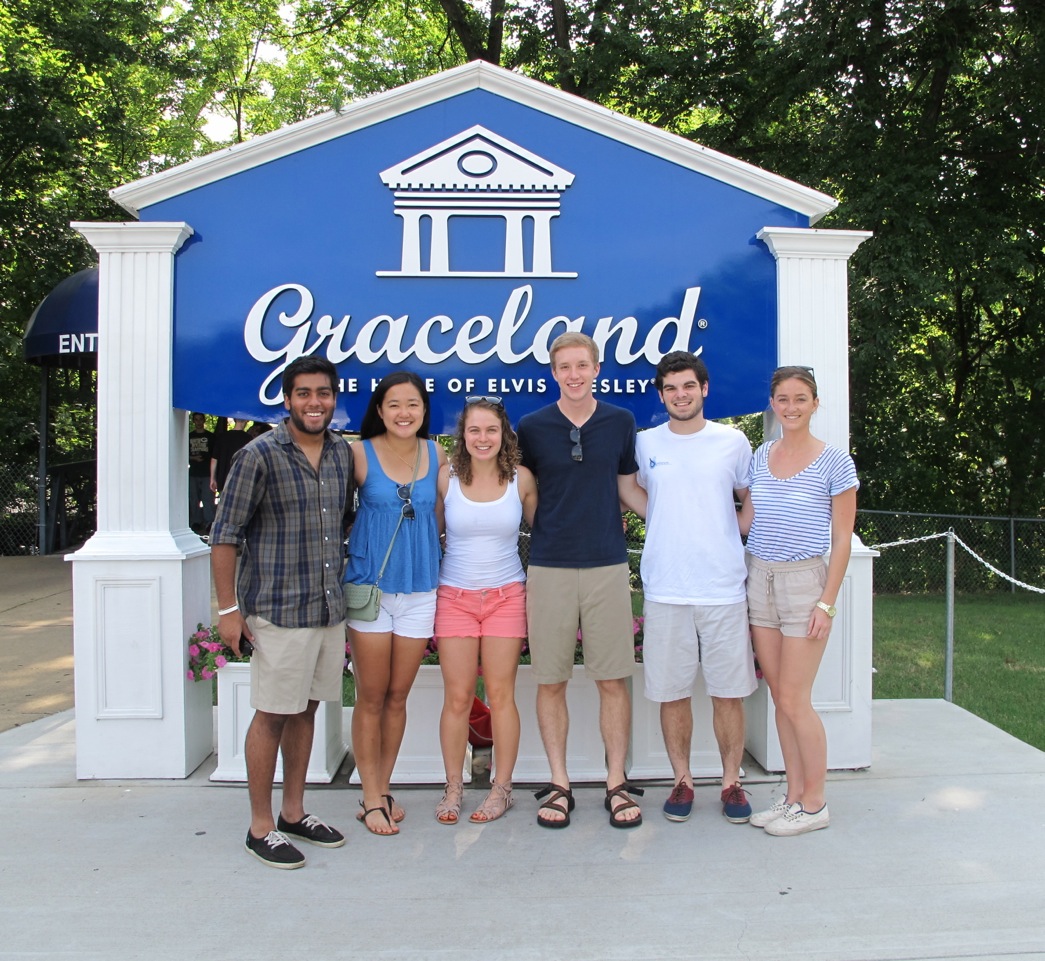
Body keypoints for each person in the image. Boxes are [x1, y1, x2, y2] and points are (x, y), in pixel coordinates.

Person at [210, 356, 353, 869]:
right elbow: (224, 536)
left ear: (334, 398)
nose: (314, 402)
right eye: (304, 394)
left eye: (323, 393)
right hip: (277, 609)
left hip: (327, 608)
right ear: (287, 399)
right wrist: (229, 610)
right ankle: (260, 826)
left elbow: (342, 522)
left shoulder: (341, 453)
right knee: (271, 713)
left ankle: (294, 812)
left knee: (308, 709)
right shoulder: (258, 455)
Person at [621, 351, 757, 824]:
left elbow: (749, 496)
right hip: (666, 588)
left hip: (722, 587)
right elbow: (629, 488)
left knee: (729, 692)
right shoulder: (645, 443)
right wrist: (658, 519)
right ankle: (682, 781)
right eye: (671, 388)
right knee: (672, 691)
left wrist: (730, 530)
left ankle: (731, 783)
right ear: (661, 395)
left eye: (688, 386)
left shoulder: (733, 441)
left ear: (704, 389)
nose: (680, 395)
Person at [517, 332, 643, 829]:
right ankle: (560, 783)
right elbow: (519, 493)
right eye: (564, 366)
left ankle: (616, 782)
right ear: (553, 372)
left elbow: (628, 489)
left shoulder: (620, 422)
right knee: (550, 680)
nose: (573, 374)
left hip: (607, 564)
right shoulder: (530, 427)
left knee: (612, 680)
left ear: (597, 368)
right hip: (548, 566)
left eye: (582, 365)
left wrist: (684, 526)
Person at [745, 365, 858, 836]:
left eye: (800, 398)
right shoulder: (761, 454)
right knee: (778, 697)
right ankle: (792, 797)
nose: (790, 407)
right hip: (758, 579)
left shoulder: (835, 462)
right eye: (782, 399)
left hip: (804, 584)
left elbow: (843, 537)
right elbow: (747, 519)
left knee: (795, 699)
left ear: (814, 403)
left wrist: (826, 603)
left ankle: (816, 804)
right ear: (773, 404)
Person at [344, 372, 447, 836]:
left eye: (413, 404)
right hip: (371, 591)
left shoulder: (437, 453)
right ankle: (369, 797)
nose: (404, 413)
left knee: (397, 697)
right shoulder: (357, 454)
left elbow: (440, 519)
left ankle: (383, 787)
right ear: (380, 410)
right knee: (370, 695)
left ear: (424, 410)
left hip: (421, 590)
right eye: (394, 404)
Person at [433, 396, 537, 825]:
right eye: (474, 430)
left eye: (490, 430)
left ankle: (501, 789)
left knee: (501, 697)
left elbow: (546, 533)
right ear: (463, 435)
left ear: (504, 434)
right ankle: (453, 787)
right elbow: (431, 531)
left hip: (506, 597)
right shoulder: (446, 478)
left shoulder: (522, 479)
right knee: (457, 698)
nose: (482, 438)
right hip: (454, 597)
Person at [187, 412, 214, 534]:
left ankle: (209, 523)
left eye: (200, 419)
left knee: (208, 499)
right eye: (196, 420)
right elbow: (183, 454)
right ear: (193, 421)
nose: (198, 422)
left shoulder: (211, 437)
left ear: (204, 421)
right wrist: (193, 459)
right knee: (194, 498)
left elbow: (215, 455)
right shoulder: (188, 436)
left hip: (207, 472)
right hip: (193, 472)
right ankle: (195, 522)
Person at [210, 418, 251, 496]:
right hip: (241, 481)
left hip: (223, 480)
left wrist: (213, 479)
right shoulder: (248, 439)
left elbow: (214, 459)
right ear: (246, 420)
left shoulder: (222, 437)